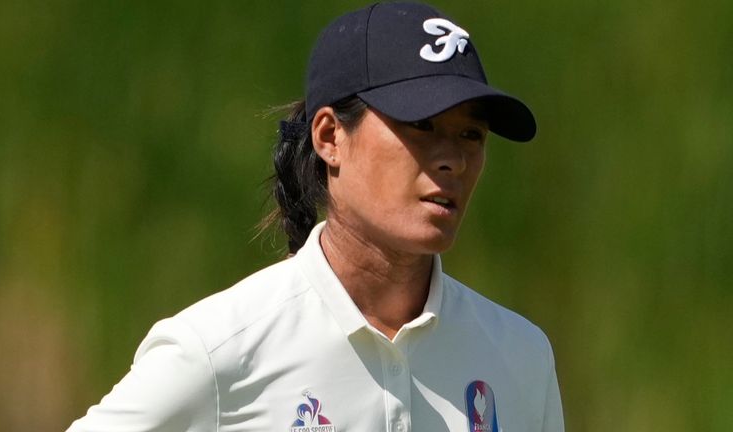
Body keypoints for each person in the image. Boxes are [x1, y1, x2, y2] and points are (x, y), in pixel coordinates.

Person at [67, 2, 564, 431]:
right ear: (329, 138)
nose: (451, 159)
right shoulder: (217, 351)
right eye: (419, 125)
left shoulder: (521, 356)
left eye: (471, 135)